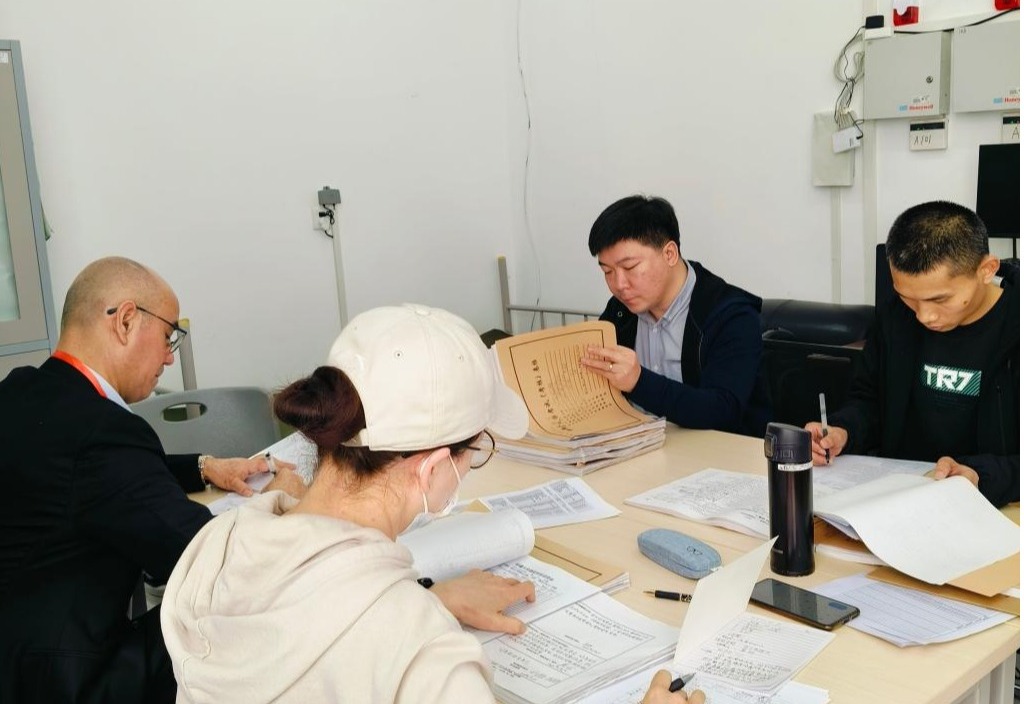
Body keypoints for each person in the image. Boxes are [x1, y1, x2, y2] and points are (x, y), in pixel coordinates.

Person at [161, 303, 703, 704]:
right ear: (432, 468)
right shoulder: (424, 653)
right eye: (476, 452)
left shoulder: (216, 545)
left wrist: (428, 598)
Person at [0, 256, 294, 703]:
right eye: (167, 335)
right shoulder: (104, 432)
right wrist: (277, 502)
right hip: (68, 681)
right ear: (125, 321)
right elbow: (205, 556)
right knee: (242, 610)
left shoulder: (22, 391)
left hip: (16, 656)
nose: (169, 357)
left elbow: (92, 473)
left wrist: (203, 466)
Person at [805, 201, 1019, 507]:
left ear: (986, 270)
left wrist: (981, 476)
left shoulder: (1014, 327)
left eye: (940, 300)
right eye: (908, 298)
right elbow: (869, 400)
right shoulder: (897, 317)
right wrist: (843, 430)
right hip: (900, 497)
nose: (924, 316)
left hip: (994, 506)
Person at [581, 194, 771, 437]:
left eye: (629, 267)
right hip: (644, 447)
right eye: (607, 271)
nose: (619, 284)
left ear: (669, 253)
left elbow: (723, 410)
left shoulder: (732, 315)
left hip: (718, 451)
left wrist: (639, 382)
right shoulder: (621, 311)